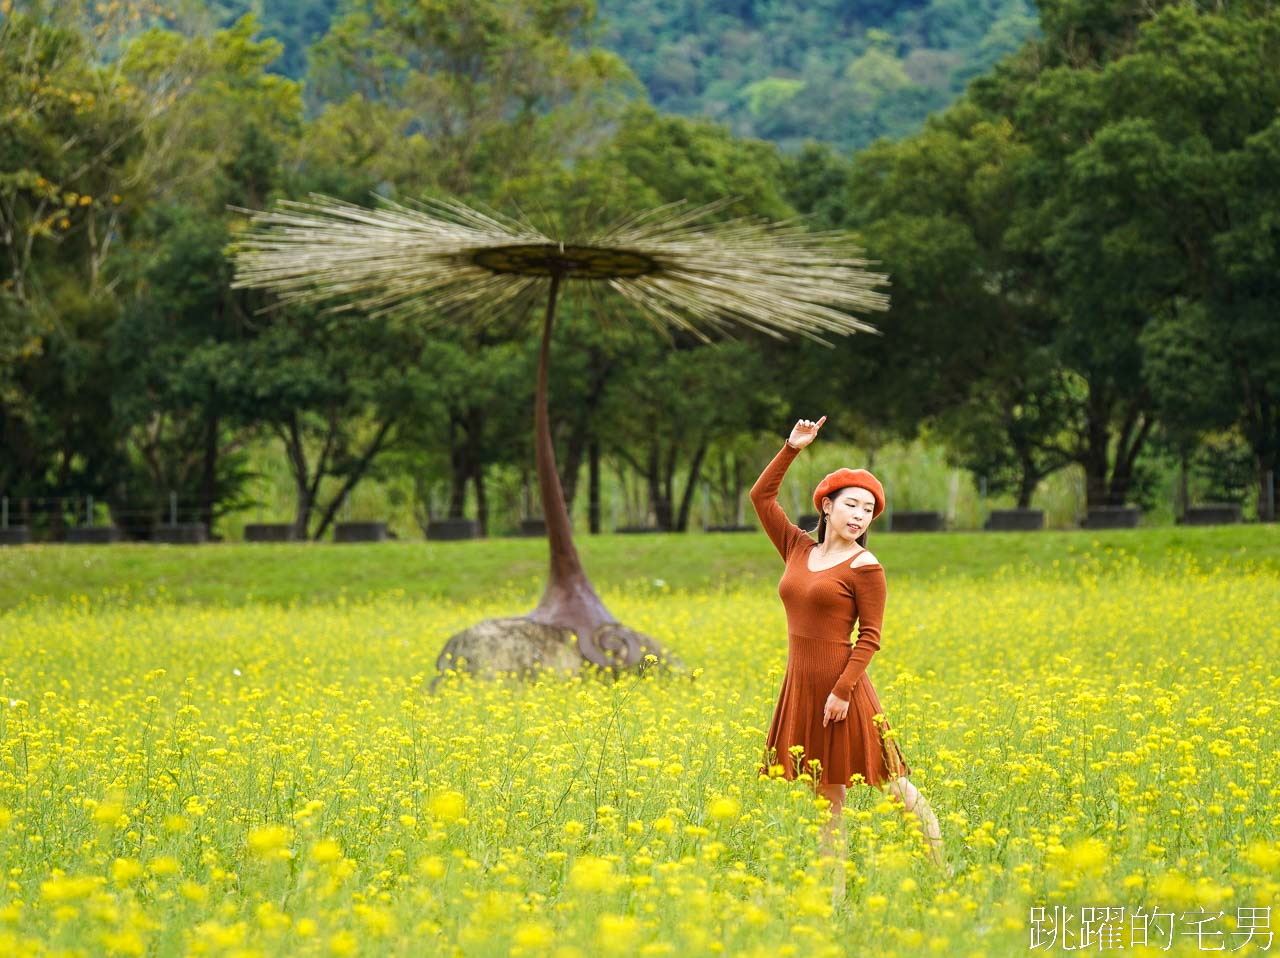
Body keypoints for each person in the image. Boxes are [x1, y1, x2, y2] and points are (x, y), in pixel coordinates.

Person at [751, 415, 951, 903]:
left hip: (845, 691)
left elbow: (871, 637)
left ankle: (945, 877)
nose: (861, 516)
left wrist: (842, 692)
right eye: (853, 505)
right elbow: (761, 498)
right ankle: (833, 900)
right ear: (827, 506)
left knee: (895, 786)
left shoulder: (866, 567)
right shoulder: (797, 547)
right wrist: (792, 448)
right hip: (803, 686)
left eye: (869, 511)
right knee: (827, 800)